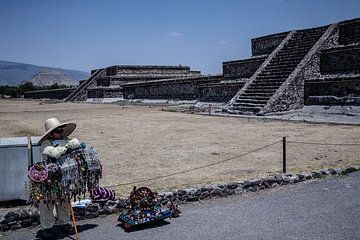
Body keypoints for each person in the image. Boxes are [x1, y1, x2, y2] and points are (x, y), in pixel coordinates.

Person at [37, 117, 80, 239]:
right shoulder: (46, 144)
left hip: (65, 176)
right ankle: (47, 227)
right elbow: (53, 153)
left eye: (61, 130)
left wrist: (68, 143)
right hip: (49, 178)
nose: (61, 133)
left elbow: (76, 142)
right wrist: (66, 147)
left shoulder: (66, 139)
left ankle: (64, 223)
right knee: (47, 203)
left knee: (64, 200)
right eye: (58, 131)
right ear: (51, 134)